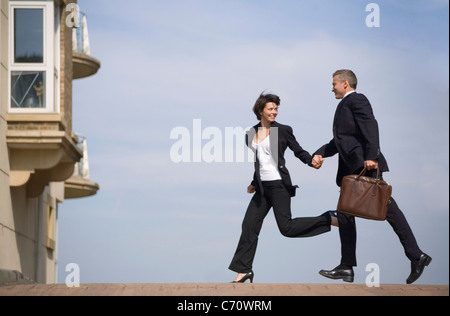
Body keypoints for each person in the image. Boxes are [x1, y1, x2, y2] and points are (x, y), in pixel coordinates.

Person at [312, 69, 431, 284]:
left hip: (364, 165)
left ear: (345, 83)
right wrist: (321, 152)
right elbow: (340, 140)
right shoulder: (344, 105)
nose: (332, 88)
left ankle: (416, 255)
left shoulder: (357, 99)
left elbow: (370, 125)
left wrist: (370, 156)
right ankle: (346, 266)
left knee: (387, 209)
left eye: (334, 84)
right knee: (345, 212)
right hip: (352, 168)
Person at [228, 93, 337, 283]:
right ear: (260, 111)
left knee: (286, 228)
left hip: (279, 186)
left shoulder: (283, 130)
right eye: (270, 109)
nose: (274, 112)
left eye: (276, 109)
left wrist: (311, 161)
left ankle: (328, 218)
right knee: (249, 225)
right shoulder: (250, 134)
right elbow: (260, 161)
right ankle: (244, 270)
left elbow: (298, 151)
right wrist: (254, 183)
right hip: (262, 189)